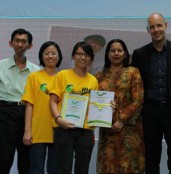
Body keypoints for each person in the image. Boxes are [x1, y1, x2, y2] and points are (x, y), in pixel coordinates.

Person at [131, 13, 171, 174]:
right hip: (150, 113)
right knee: (151, 158)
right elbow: (135, 86)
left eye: (159, 25)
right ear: (147, 30)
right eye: (152, 27)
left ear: (166, 25)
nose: (156, 30)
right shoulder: (139, 54)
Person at [95, 39, 145, 174]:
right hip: (107, 131)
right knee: (107, 166)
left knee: (128, 166)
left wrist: (121, 120)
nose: (116, 53)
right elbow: (93, 101)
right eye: (112, 50)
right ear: (107, 54)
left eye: (119, 50)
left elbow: (138, 99)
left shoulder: (133, 72)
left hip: (129, 130)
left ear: (125, 54)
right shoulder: (100, 75)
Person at [49, 41, 98, 174]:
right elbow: (53, 101)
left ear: (91, 58)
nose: (83, 57)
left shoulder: (93, 80)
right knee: (63, 169)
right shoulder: (62, 75)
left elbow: (95, 105)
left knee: (82, 169)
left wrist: (106, 106)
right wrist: (59, 119)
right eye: (79, 54)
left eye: (87, 55)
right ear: (73, 56)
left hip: (85, 131)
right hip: (63, 128)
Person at [0, 28, 40, 174]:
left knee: (26, 161)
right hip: (4, 114)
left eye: (24, 41)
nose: (20, 44)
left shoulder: (36, 71)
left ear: (30, 46)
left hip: (27, 116)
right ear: (10, 43)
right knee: (3, 159)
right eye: (17, 40)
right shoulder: (0, 66)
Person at [22, 41, 63, 174]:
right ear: (41, 56)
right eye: (46, 53)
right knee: (36, 169)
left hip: (59, 131)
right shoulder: (34, 76)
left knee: (55, 170)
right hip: (38, 132)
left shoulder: (64, 77)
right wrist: (27, 131)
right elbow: (29, 105)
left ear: (59, 56)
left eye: (53, 53)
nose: (50, 56)